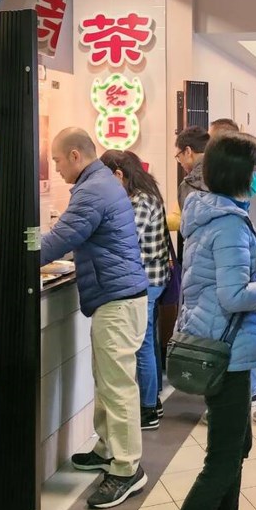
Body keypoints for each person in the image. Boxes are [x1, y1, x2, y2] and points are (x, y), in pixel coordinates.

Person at [143, 132, 256, 510]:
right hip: (223, 351)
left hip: (225, 348)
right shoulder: (227, 223)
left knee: (235, 449)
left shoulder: (209, 215)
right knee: (220, 463)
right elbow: (233, 295)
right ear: (240, 174)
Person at [40, 128, 149, 509]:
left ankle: (126, 469)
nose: (55, 169)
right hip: (120, 297)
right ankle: (107, 450)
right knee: (108, 380)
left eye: (56, 161)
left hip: (117, 302)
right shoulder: (101, 181)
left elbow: (59, 239)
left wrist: (14, 253)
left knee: (117, 386)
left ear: (74, 155)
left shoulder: (92, 190)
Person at [207, 119, 256, 430]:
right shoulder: (228, 219)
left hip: (255, 275)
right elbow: (234, 294)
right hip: (250, 283)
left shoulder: (214, 205)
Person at [100, 149, 171, 432]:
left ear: (119, 174)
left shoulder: (139, 201)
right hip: (152, 278)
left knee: (141, 345)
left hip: (147, 279)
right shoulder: (143, 194)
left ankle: (148, 408)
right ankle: (153, 399)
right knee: (148, 342)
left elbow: (127, 239)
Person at [166, 126, 210, 252]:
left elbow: (187, 224)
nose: (179, 161)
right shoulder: (229, 173)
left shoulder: (190, 183)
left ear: (188, 151)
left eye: (178, 156)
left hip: (201, 253)